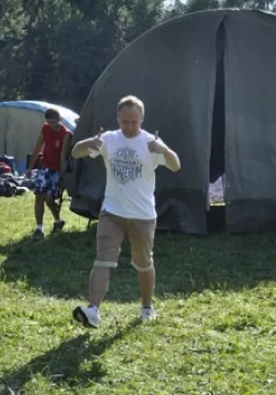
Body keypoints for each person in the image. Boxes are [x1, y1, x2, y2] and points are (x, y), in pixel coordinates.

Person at [69, 95, 181, 328]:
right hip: (112, 211)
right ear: (118, 118)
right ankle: (93, 311)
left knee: (143, 263)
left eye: (134, 122)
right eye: (125, 122)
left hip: (142, 215)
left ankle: (147, 307)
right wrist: (89, 143)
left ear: (142, 119)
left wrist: (164, 150)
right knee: (103, 260)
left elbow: (175, 165)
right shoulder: (109, 139)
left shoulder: (151, 142)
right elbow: (76, 152)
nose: (130, 127)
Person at [28, 109, 72, 239]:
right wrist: (30, 167)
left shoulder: (66, 134)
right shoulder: (45, 129)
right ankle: (39, 229)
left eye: (53, 122)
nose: (51, 125)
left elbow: (63, 156)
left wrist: (62, 175)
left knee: (49, 199)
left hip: (57, 170)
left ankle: (58, 221)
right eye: (48, 122)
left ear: (60, 119)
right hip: (44, 167)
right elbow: (37, 147)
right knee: (39, 197)